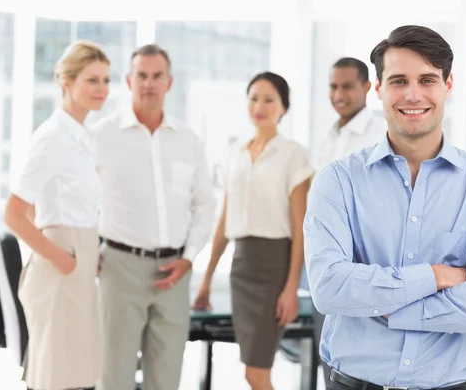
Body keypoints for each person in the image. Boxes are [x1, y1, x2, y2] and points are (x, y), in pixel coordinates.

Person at [304, 25, 466, 390]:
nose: (413, 94)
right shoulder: (337, 182)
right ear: (378, 89)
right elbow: (328, 288)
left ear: (448, 85)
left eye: (427, 80)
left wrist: (387, 305)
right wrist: (435, 276)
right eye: (398, 80)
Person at [92, 44, 216, 390]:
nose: (149, 83)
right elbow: (79, 199)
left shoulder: (188, 141)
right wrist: (89, 247)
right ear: (129, 81)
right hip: (119, 268)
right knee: (114, 377)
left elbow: (205, 205)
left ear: (169, 82)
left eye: (156, 76)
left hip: (174, 273)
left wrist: (189, 259)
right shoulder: (103, 136)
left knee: (165, 379)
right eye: (141, 76)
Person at [193, 72, 314, 390]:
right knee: (252, 368)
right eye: (254, 98)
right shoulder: (236, 154)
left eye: (269, 99)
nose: (259, 106)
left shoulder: (293, 154)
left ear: (283, 107)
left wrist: (291, 287)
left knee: (256, 372)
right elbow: (224, 222)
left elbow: (301, 226)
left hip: (274, 267)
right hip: (241, 267)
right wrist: (205, 280)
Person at [5, 40, 110, 390]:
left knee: (77, 380)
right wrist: (64, 258)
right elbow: (14, 213)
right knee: (55, 381)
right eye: (91, 80)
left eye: (106, 80)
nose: (101, 89)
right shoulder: (52, 137)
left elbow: (48, 202)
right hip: (58, 273)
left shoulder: (82, 136)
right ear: (67, 82)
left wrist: (83, 253)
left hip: (77, 267)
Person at [312, 57, 387, 385]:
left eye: (347, 86)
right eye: (333, 86)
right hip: (328, 264)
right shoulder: (329, 137)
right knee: (330, 360)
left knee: (363, 367)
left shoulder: (379, 134)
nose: (339, 94)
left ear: (367, 88)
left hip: (364, 267)